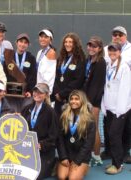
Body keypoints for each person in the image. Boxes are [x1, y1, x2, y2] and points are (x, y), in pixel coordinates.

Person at [101, 43, 131, 174]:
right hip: (109, 109)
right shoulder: (109, 66)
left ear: (120, 52)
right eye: (110, 50)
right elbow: (106, 87)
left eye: (115, 50)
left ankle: (118, 165)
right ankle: (114, 161)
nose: (112, 52)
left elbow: (125, 90)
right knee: (110, 135)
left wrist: (120, 110)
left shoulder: (124, 68)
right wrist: (104, 106)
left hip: (120, 109)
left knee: (114, 135)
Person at [21, 83, 58, 179]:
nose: (37, 94)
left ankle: (54, 163)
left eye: (40, 92)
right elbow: (20, 128)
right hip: (27, 149)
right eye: (35, 91)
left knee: (34, 175)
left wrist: (42, 145)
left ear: (46, 95)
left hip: (43, 151)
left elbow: (53, 136)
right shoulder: (26, 109)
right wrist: (16, 119)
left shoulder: (51, 112)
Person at [57, 90, 95, 180]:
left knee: (72, 178)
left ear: (82, 101)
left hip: (81, 157)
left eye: (77, 99)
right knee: (62, 177)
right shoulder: (64, 116)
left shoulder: (90, 119)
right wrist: (63, 157)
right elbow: (60, 139)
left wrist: (77, 161)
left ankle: (84, 167)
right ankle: (60, 165)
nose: (73, 101)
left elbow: (88, 144)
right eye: (72, 99)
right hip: (67, 155)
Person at [83, 36, 106, 166]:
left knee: (95, 128)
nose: (91, 48)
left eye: (94, 46)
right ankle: (91, 154)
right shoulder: (88, 60)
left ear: (99, 49)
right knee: (88, 129)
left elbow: (97, 85)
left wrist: (89, 102)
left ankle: (97, 156)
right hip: (86, 99)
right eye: (90, 45)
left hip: (94, 102)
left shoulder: (101, 62)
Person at [52, 32, 86, 117]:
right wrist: (57, 93)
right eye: (66, 42)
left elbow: (78, 81)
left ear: (75, 44)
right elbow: (55, 77)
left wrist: (62, 94)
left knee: (69, 125)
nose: (67, 44)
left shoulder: (80, 59)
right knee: (57, 124)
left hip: (72, 99)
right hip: (58, 99)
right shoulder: (61, 58)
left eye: (70, 42)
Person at [6, 33, 37, 112]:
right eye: (21, 41)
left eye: (25, 42)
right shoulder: (9, 56)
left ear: (28, 45)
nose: (23, 44)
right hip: (11, 94)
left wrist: (30, 91)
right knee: (12, 114)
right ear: (16, 43)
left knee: (24, 114)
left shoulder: (31, 58)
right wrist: (6, 89)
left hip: (25, 94)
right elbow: (5, 74)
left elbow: (33, 76)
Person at [36, 28, 57, 94]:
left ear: (50, 40)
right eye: (41, 37)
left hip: (44, 92)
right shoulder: (39, 52)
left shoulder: (51, 53)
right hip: (38, 89)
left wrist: (46, 92)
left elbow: (50, 76)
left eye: (46, 37)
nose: (43, 39)